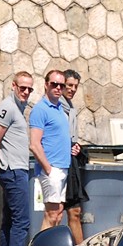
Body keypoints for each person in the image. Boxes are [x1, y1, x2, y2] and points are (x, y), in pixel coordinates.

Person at [0, 71, 42, 246]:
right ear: (13, 86)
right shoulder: (7, 107)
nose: (26, 92)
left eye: (29, 89)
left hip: (16, 169)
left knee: (10, 220)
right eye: (22, 88)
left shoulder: (17, 108)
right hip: (13, 171)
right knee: (21, 221)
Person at [29, 68, 73, 235]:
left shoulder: (60, 109)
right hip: (52, 168)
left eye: (61, 86)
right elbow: (34, 144)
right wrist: (48, 169)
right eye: (54, 84)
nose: (57, 88)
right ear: (46, 85)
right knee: (51, 214)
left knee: (58, 213)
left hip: (62, 167)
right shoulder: (41, 109)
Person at [60, 68, 87, 244]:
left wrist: (76, 147)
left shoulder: (71, 108)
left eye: (75, 86)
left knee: (75, 212)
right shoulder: (54, 107)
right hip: (57, 163)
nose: (72, 89)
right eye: (69, 85)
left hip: (71, 164)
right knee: (54, 214)